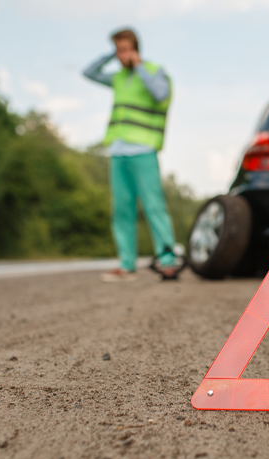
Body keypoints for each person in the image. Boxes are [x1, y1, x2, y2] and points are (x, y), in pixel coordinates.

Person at [83, 29, 179, 282]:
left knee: (153, 206)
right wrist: (109, 55)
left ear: (136, 49)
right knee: (122, 210)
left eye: (125, 49)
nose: (121, 55)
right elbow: (88, 72)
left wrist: (138, 65)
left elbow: (161, 95)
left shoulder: (153, 70)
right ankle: (127, 264)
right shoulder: (118, 77)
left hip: (143, 149)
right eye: (118, 50)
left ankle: (167, 260)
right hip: (118, 150)